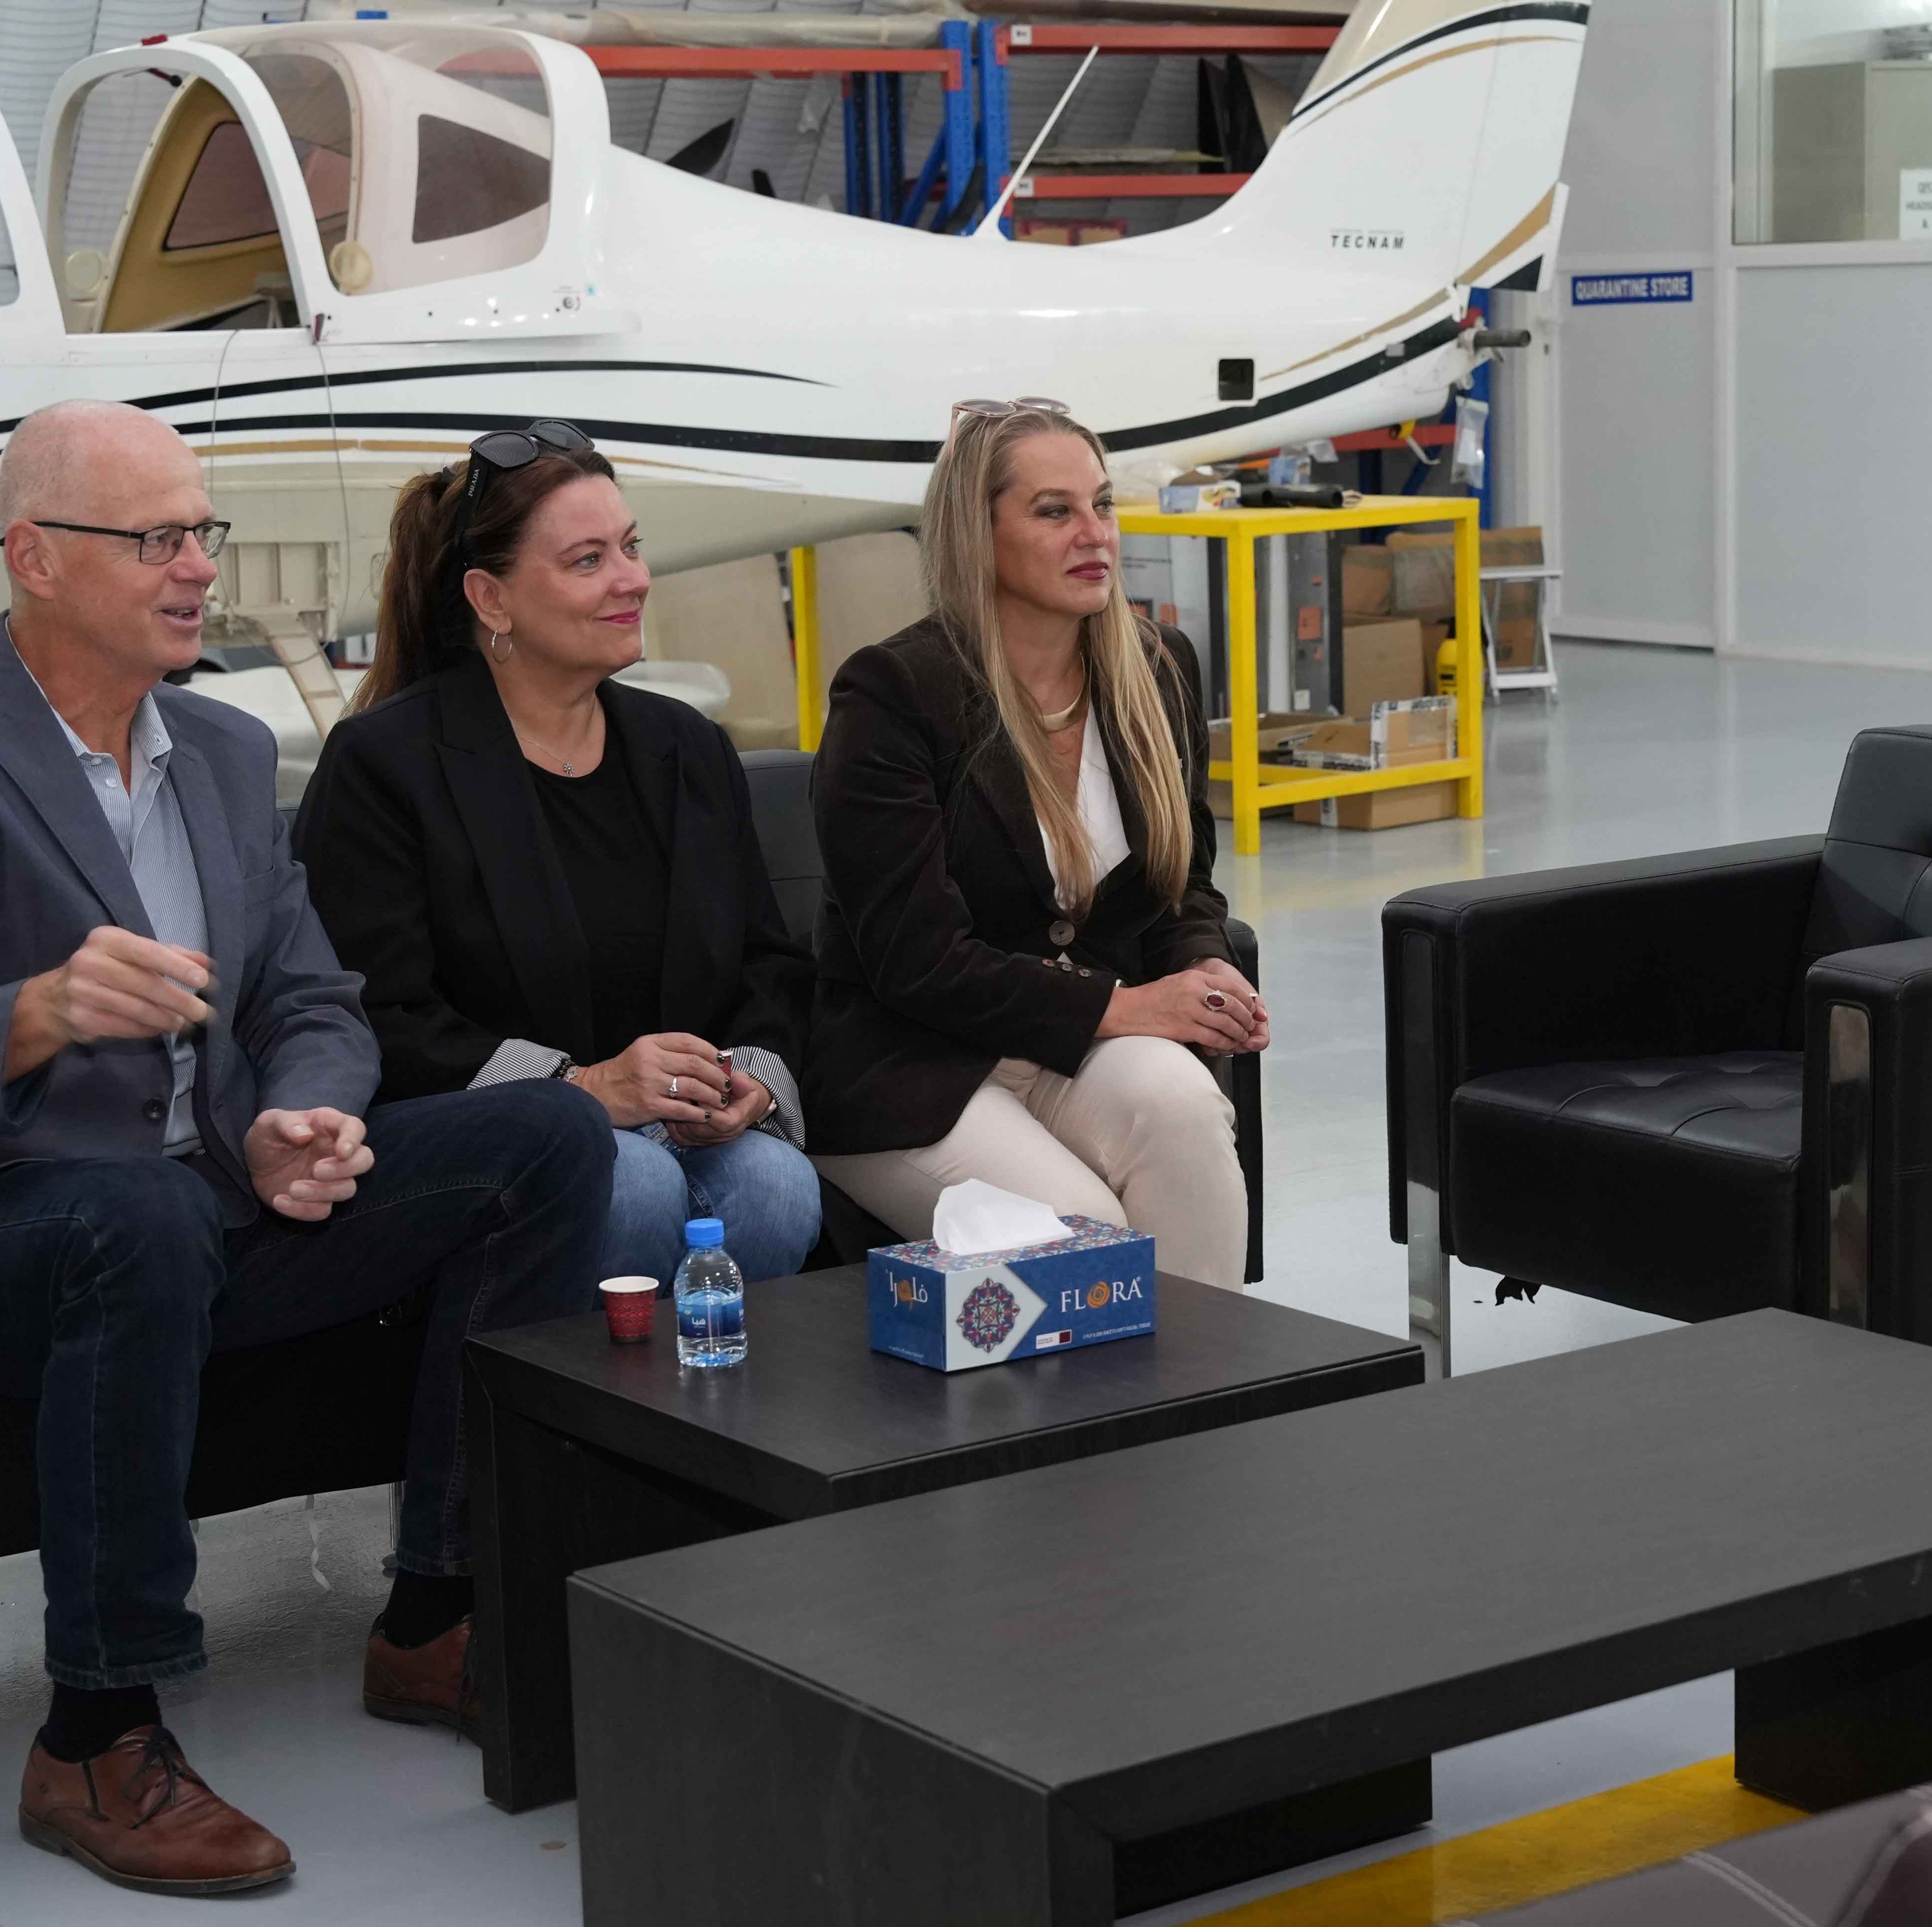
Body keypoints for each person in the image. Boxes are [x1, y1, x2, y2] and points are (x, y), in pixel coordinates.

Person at [0, 401, 621, 1896]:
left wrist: (305, 1117)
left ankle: (438, 1614)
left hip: (200, 1205)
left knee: (546, 1135)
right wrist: (35, 1012)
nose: (200, 567)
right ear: (35, 556)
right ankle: (96, 1734)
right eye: (157, 537)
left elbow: (314, 1002)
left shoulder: (221, 749)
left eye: (201, 531)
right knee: (134, 1217)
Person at [293, 420, 822, 1284]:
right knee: (631, 1183)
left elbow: (767, 959)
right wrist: (583, 1087)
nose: (633, 579)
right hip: (477, 1137)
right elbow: (378, 1014)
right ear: (491, 600)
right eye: (588, 561)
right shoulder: (385, 764)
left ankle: (712, 1380)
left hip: (676, 1130)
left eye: (632, 547)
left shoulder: (687, 747)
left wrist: (751, 1078)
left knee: (775, 1186)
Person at [806, 400, 1267, 1284]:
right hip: (914, 1066)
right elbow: (916, 961)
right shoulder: (894, 693)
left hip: (1070, 1049)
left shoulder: (1158, 668)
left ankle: (1209, 1369)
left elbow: (1184, 885)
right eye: (1055, 512)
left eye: (1103, 504)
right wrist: (1125, 1007)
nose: (1095, 534)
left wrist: (1204, 966)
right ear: (976, 536)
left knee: (1184, 1110)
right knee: (1086, 1235)